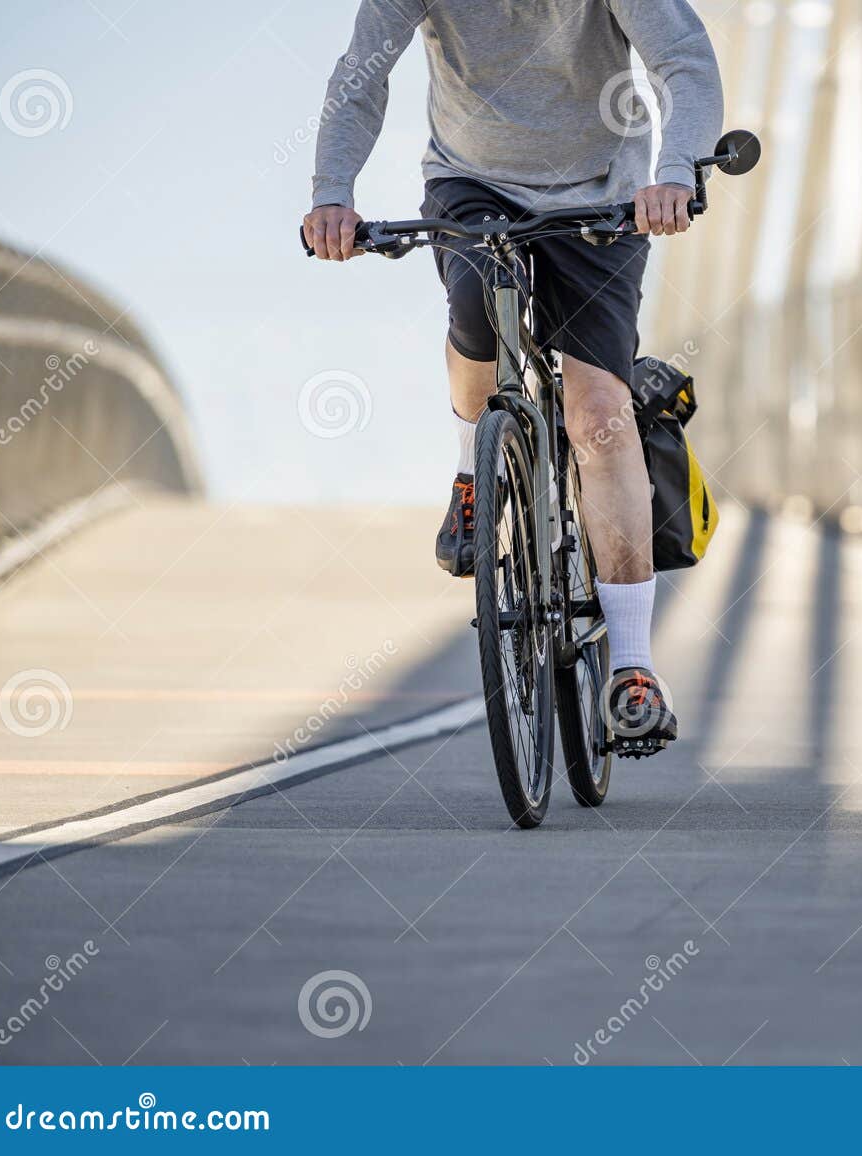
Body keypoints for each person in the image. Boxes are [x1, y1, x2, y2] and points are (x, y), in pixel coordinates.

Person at [302, 1, 722, 756]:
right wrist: (333, 192)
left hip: (607, 191)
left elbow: (683, 62)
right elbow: (361, 75)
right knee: (475, 320)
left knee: (599, 417)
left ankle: (631, 667)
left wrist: (676, 170)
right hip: (473, 185)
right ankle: (474, 473)